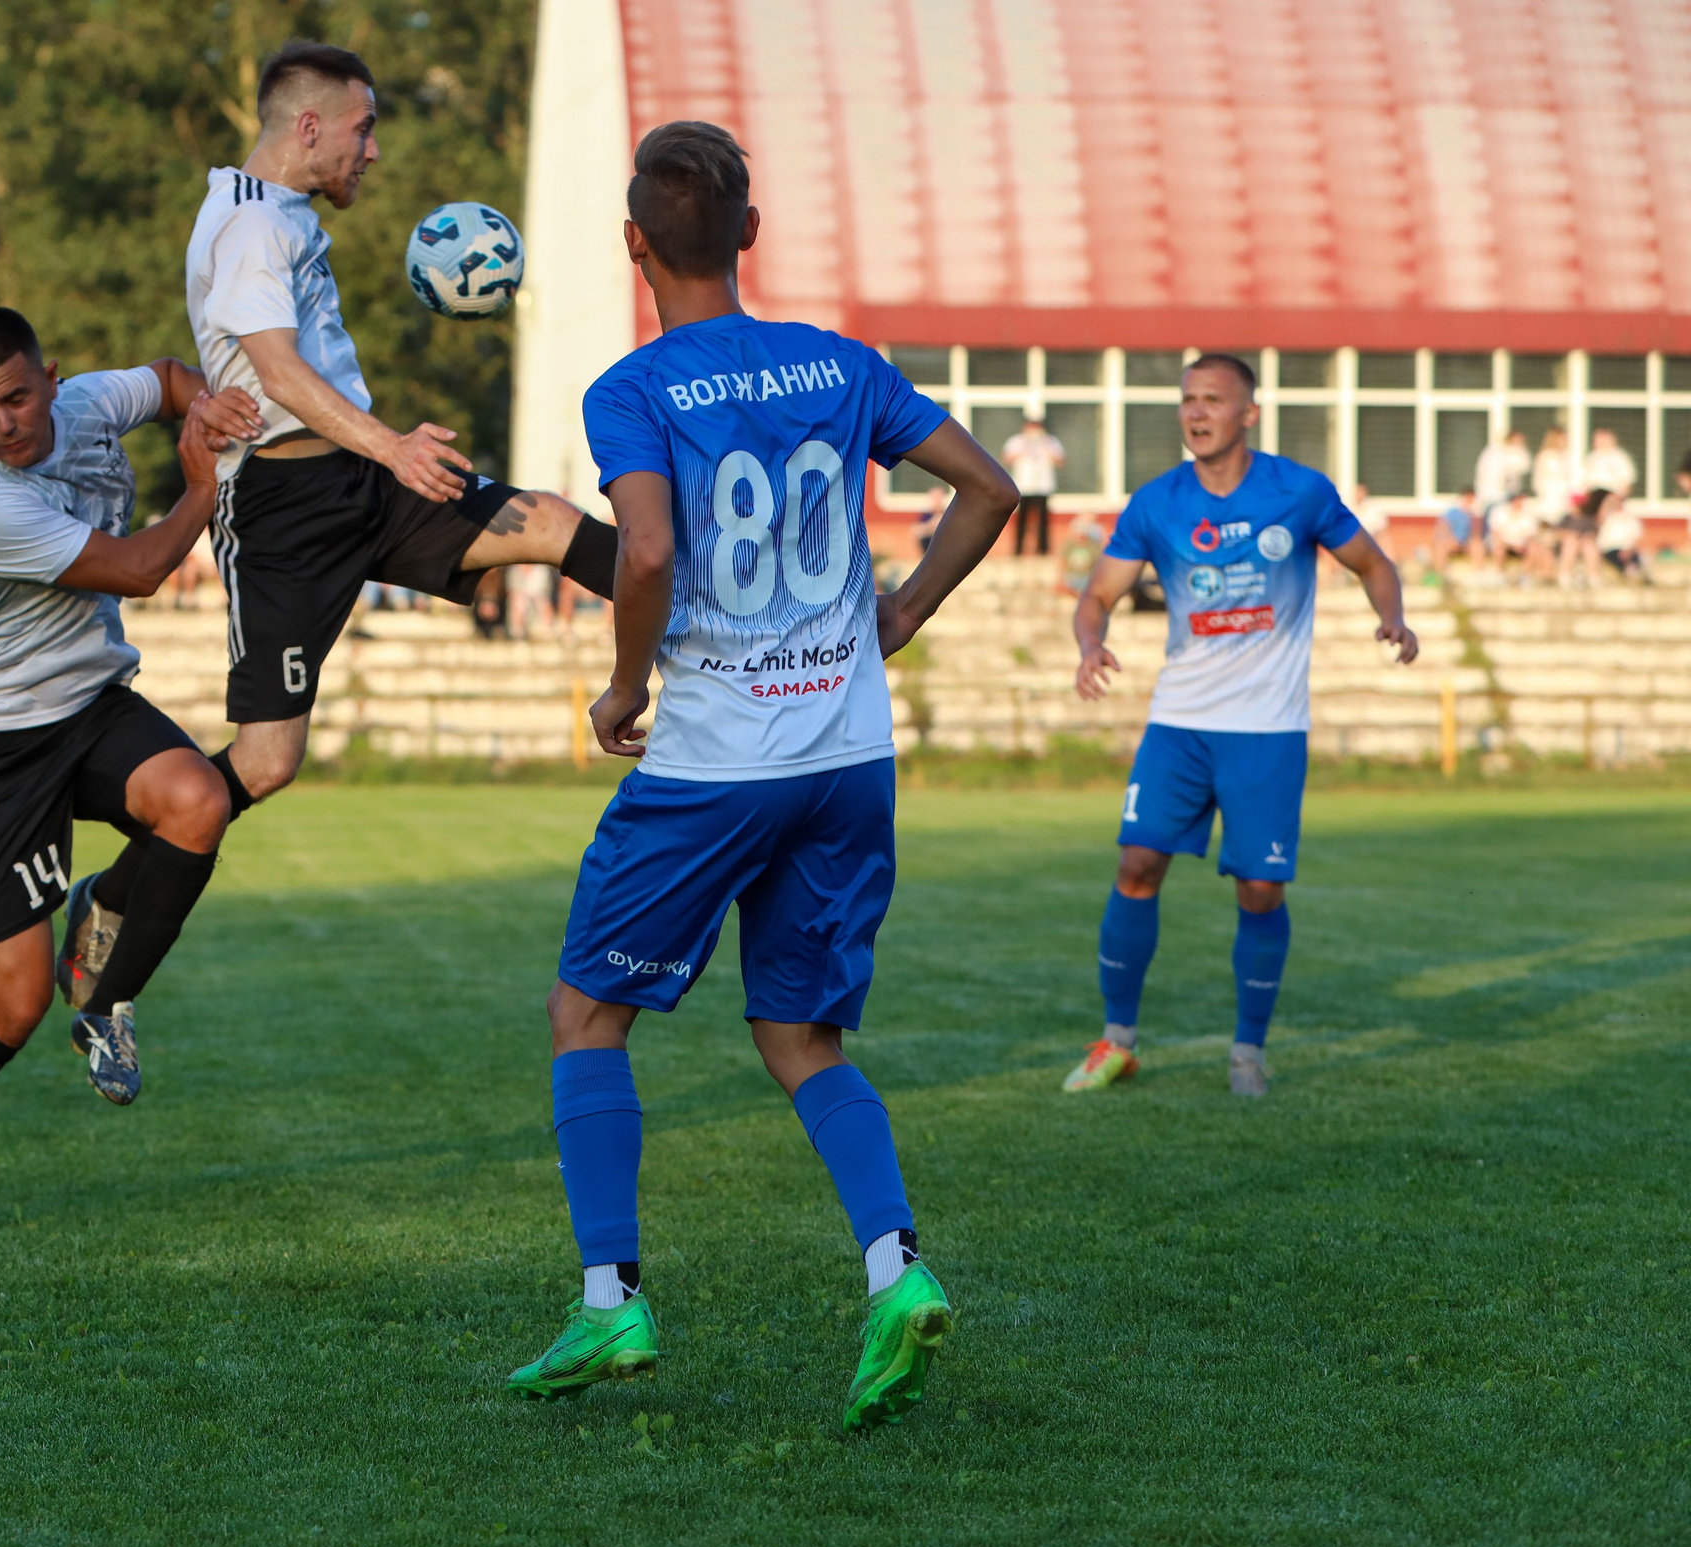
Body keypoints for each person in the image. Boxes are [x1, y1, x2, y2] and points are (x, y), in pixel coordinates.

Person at [499, 121, 1017, 1427]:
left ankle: (611, 1300)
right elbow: (989, 489)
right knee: (799, 1035)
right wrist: (904, 610)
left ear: (633, 243)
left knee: (584, 1014)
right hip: (848, 755)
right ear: (747, 231)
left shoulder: (632, 388)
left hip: (720, 761)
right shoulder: (840, 365)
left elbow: (647, 551)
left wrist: (624, 685)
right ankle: (896, 1270)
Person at [0, 306, 258, 1237]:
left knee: (199, 800)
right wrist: (203, 484)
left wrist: (211, 406)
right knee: (12, 1005)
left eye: (15, 397)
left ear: (49, 378)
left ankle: (107, 1001)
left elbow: (167, 378)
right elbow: (138, 569)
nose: (2, 422)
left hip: (89, 706)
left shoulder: (84, 405)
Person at [179, 40, 619, 824]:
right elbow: (277, 371)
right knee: (267, 762)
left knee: (550, 521)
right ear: (309, 127)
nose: (373, 150)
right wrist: (394, 446)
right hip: (284, 507)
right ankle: (130, 873)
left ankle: (725, 623)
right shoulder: (250, 223)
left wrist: (380, 456)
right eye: (364, 128)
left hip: (363, 480)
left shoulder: (276, 211)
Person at [1065, 354, 1417, 1101]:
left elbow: (1374, 563)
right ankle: (1117, 1041)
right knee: (1136, 865)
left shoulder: (1300, 492)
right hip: (1179, 723)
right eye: (1187, 399)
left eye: (1213, 400)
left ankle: (1248, 1052)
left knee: (1260, 889)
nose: (1196, 412)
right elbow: (1096, 595)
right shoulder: (1157, 503)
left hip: (1268, 729)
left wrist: (1393, 617)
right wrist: (1091, 643)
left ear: (1248, 413)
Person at [1002, 409, 1064, 555]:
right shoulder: (1016, 441)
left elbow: (1060, 461)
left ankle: (1043, 549)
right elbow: (1007, 459)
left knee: (1043, 520)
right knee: (1021, 520)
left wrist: (1044, 446)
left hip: (1043, 486)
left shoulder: (1050, 441)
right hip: (1023, 486)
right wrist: (1025, 447)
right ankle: (1018, 549)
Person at [1473, 429, 1529, 518]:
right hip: (1493, 494)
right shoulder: (1495, 452)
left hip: (1506, 493)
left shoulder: (1511, 453)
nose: (1519, 443)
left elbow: (1524, 466)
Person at [1597, 494, 1647, 581]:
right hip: (1610, 549)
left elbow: (1636, 535)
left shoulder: (1630, 518)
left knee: (1636, 556)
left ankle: (1632, 572)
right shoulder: (1607, 518)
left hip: (1627, 548)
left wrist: (1628, 548)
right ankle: (1630, 572)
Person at [1530, 426, 1574, 523]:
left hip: (1564, 496)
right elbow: (1539, 479)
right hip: (1550, 495)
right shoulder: (1546, 456)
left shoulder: (1566, 455)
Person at [1584, 426, 1636, 500]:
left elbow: (1627, 482)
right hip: (1595, 497)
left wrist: (1620, 498)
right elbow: (1585, 480)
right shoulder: (1592, 457)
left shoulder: (1620, 457)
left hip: (1613, 496)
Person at [1435, 489, 1478, 570]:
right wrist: (1451, 540)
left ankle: (1478, 572)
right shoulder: (1452, 512)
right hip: (1452, 541)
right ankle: (1439, 572)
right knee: (1441, 547)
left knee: (1477, 546)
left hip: (1465, 543)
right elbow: (1443, 528)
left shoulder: (1471, 515)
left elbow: (1474, 533)